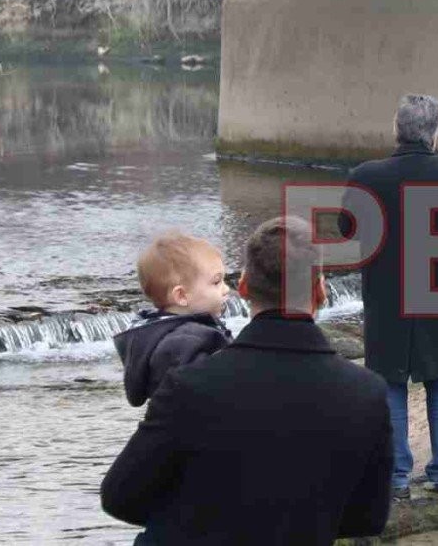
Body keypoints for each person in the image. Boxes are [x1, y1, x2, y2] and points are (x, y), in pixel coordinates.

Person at [100, 217, 393, 545]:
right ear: (321, 289)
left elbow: (119, 497)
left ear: (244, 287)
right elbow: (368, 517)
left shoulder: (189, 384)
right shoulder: (367, 393)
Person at [348, 93, 438, 500]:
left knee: (391, 384)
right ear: (435, 133)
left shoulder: (365, 175)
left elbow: (346, 228)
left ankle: (395, 478)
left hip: (385, 295)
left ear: (397, 128)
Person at [112, 230, 231, 407]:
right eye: (216, 282)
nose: (226, 289)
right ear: (181, 295)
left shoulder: (167, 335)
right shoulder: (183, 343)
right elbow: (208, 395)